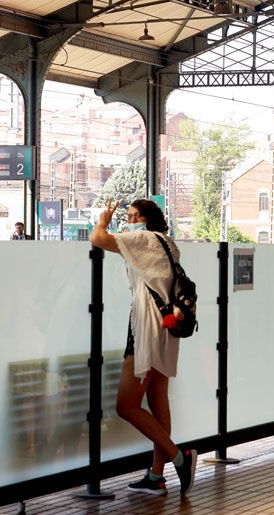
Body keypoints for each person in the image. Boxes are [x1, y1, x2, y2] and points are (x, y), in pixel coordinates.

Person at [89, 198, 197, 498]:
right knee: (158, 398)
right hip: (167, 326)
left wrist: (103, 220)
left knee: (126, 406)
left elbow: (98, 239)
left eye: (135, 215)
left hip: (147, 326)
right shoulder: (168, 243)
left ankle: (179, 458)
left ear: (147, 219)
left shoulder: (143, 239)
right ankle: (156, 476)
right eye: (129, 215)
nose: (131, 219)